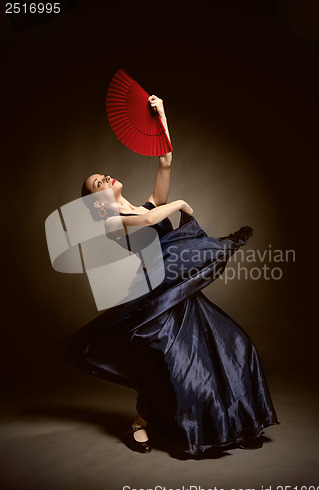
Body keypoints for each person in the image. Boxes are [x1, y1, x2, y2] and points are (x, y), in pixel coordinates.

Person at [73, 95, 278, 458]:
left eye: (100, 174)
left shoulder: (145, 205)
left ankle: (239, 421)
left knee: (235, 348)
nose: (103, 177)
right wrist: (180, 203)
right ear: (97, 201)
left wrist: (161, 115)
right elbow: (152, 222)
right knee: (177, 369)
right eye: (96, 183)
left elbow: (165, 161)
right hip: (155, 300)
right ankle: (141, 423)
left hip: (180, 290)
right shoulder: (110, 222)